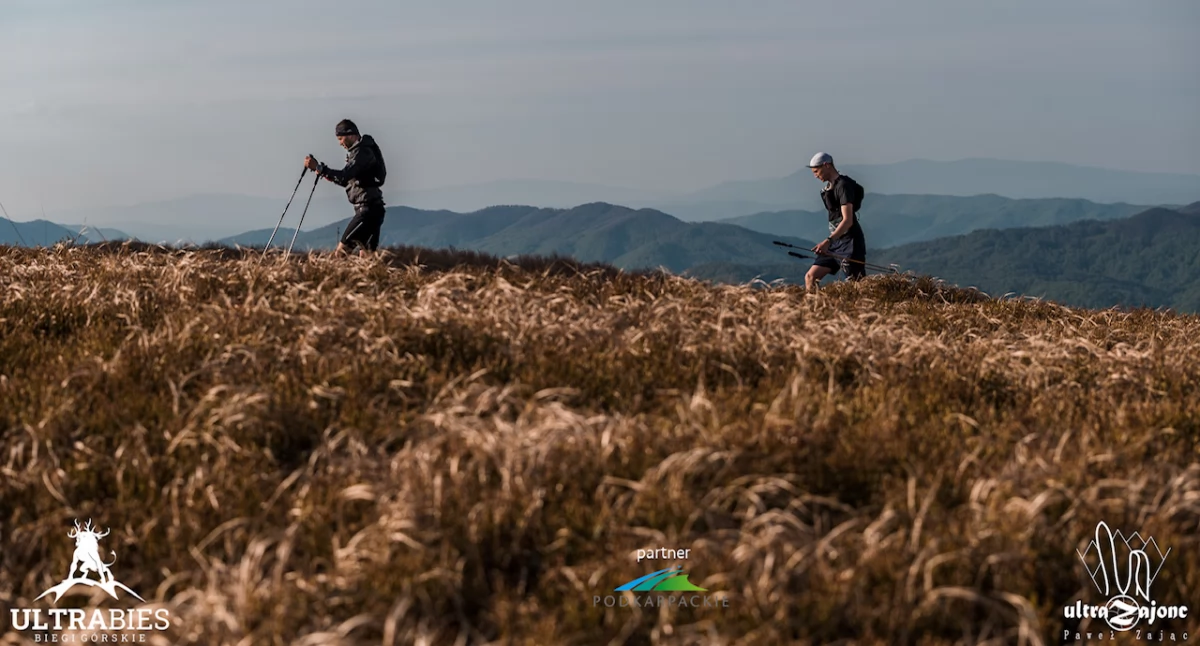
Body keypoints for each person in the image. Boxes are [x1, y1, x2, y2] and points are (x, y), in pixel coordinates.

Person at [303, 119, 388, 256]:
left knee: (341, 253)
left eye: (340, 138)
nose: (340, 143)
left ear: (351, 135)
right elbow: (348, 181)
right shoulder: (362, 151)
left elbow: (344, 177)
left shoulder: (361, 153)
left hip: (367, 211)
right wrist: (322, 172)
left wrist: (320, 168)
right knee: (367, 257)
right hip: (374, 209)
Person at [804, 152, 867, 291]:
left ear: (826, 165)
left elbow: (847, 220)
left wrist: (828, 241)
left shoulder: (843, 186)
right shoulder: (830, 187)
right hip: (836, 243)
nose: (815, 176)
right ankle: (813, 305)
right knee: (810, 277)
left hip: (851, 243)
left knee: (856, 286)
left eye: (816, 171)